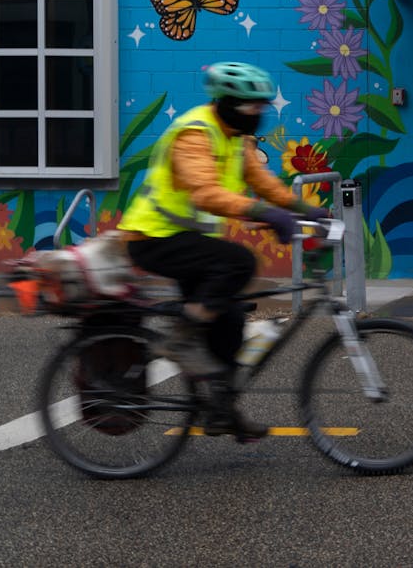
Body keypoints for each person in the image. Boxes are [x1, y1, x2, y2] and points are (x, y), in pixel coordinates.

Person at [119, 61, 330, 441]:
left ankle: (221, 411)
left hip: (185, 241)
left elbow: (261, 180)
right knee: (239, 261)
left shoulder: (235, 138)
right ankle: (183, 334)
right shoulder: (195, 134)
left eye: (263, 106)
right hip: (153, 238)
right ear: (229, 102)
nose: (259, 113)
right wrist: (265, 214)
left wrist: (303, 209)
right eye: (253, 106)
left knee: (230, 320)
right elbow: (204, 192)